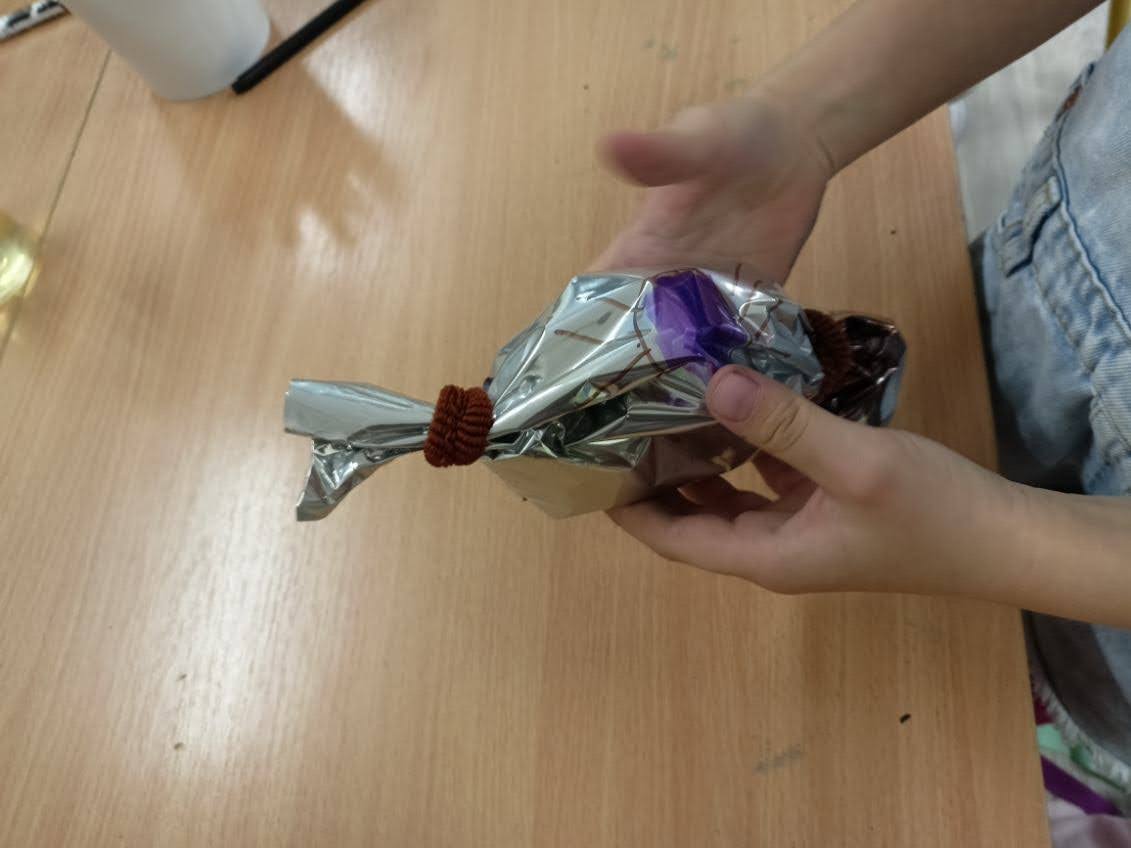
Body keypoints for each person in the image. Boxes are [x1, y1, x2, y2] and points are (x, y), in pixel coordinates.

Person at [597, 0, 1131, 836]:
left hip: (1106, 649)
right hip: (1029, 310)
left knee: (985, 749)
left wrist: (1004, 541)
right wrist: (803, 123)